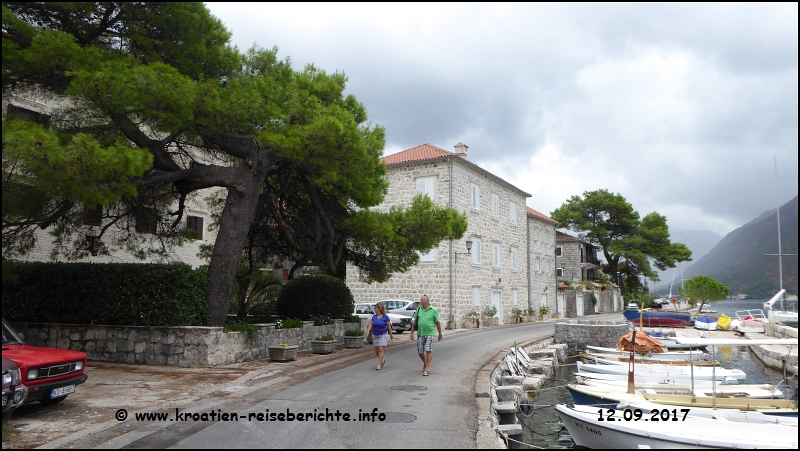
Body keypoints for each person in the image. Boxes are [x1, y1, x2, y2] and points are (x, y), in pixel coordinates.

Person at [409, 294, 442, 376]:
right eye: (420, 300)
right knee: (420, 351)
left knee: (428, 350)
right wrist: (412, 332)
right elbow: (414, 321)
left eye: (421, 300)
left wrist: (440, 334)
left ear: (427, 301)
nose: (420, 301)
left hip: (430, 333)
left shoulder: (433, 310)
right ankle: (425, 363)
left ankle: (426, 368)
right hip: (420, 333)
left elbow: (437, 323)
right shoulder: (419, 309)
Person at [366, 303, 393, 370]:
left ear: (379, 309)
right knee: (376, 350)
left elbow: (389, 326)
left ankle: (379, 364)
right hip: (375, 334)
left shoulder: (385, 317)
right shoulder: (374, 317)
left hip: (383, 334)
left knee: (380, 349)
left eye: (375, 308)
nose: (375, 309)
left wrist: (391, 334)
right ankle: (382, 360)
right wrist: (368, 331)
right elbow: (371, 324)